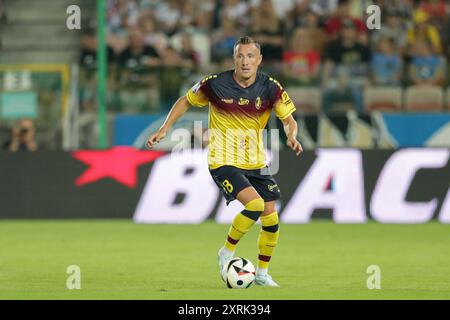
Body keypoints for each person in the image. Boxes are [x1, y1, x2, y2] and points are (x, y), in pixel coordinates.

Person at [146, 36, 303, 287]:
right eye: (240, 56)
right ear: (234, 59)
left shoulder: (271, 87)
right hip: (223, 160)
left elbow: (288, 118)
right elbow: (186, 100)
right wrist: (165, 128)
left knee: (271, 218)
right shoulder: (215, 84)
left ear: (259, 60)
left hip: (256, 162)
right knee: (254, 206)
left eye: (250, 56)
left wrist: (291, 133)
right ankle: (226, 252)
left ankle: (262, 274)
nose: (245, 61)